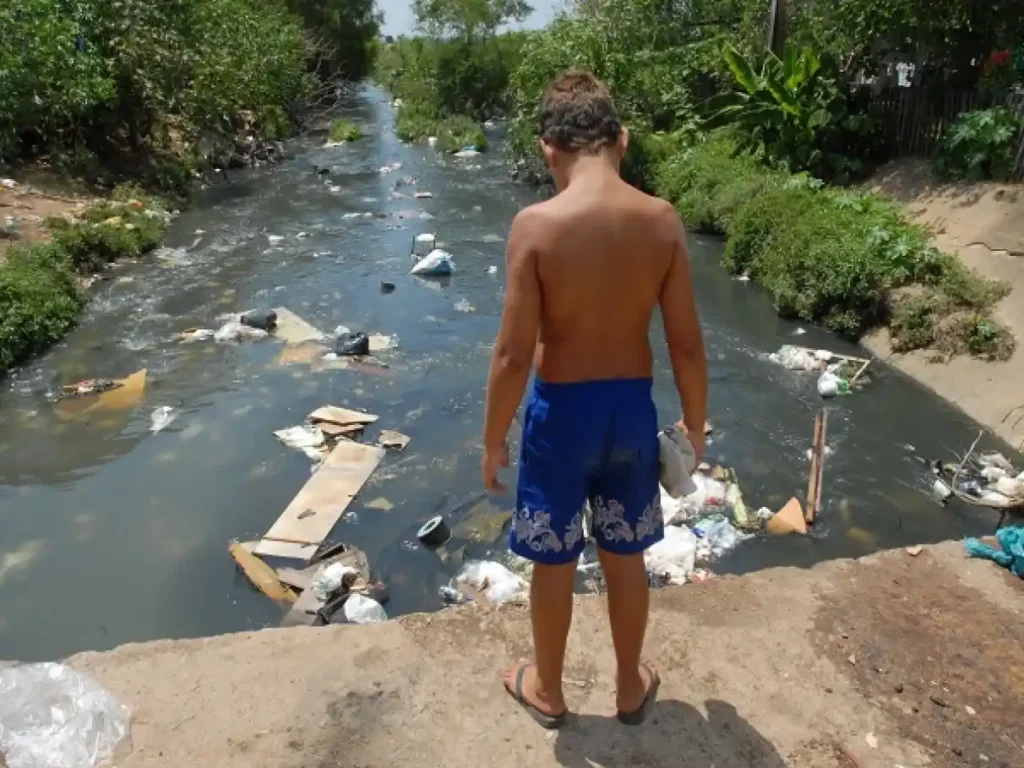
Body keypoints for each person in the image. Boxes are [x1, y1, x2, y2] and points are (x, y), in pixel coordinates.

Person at [481, 70, 708, 728]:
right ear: (623, 141)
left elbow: (512, 356)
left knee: (552, 559)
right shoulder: (661, 221)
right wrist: (695, 425)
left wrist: (495, 439)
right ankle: (629, 688)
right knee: (624, 552)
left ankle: (548, 690)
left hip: (560, 418)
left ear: (547, 150)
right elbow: (687, 346)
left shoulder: (536, 226)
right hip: (630, 413)